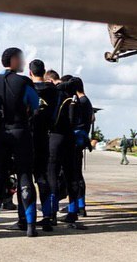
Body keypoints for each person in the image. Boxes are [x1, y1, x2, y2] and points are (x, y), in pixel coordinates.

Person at [0, 47, 40, 239]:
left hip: (0, 133)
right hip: (20, 131)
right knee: (25, 176)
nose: (23, 62)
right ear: (13, 60)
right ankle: (30, 226)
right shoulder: (24, 82)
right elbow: (35, 104)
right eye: (20, 59)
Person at [48, 77, 85, 229]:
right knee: (71, 177)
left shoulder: (57, 98)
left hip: (55, 138)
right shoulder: (75, 101)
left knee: (52, 176)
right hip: (70, 140)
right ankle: (73, 212)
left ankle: (52, 213)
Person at [29, 59, 57, 232]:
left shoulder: (27, 88)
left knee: (26, 179)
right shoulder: (54, 91)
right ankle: (47, 216)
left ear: (30, 72)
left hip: (28, 136)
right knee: (43, 179)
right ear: (44, 71)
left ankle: (27, 217)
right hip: (45, 136)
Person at [73, 77, 94, 217]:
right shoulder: (86, 101)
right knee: (77, 175)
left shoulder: (81, 102)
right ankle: (79, 205)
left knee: (76, 176)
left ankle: (78, 206)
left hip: (77, 141)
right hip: (81, 140)